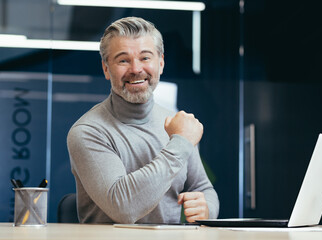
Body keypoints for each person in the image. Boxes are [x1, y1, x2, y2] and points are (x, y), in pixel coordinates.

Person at [67, 16, 219, 224]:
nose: (136, 69)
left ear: (161, 63)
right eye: (123, 60)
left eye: (145, 58)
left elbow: (203, 188)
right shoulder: (88, 131)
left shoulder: (176, 124)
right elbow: (123, 208)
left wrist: (207, 208)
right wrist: (181, 142)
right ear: (105, 69)